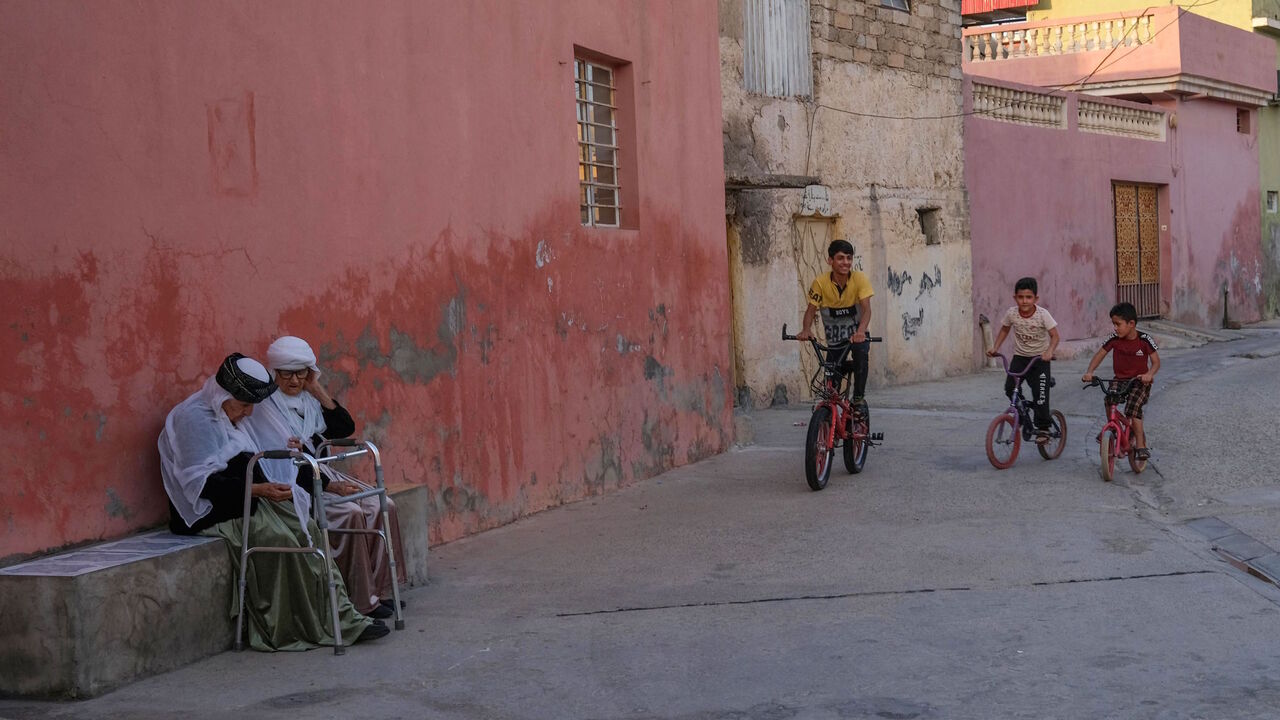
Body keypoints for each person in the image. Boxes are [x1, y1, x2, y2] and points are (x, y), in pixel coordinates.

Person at [159, 352, 386, 650]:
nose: (248, 414)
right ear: (225, 395)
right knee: (281, 538)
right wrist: (259, 491)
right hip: (210, 512)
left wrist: (269, 487)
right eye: (244, 405)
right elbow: (201, 486)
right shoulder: (194, 419)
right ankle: (297, 625)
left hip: (247, 497)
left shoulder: (226, 412)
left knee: (310, 529)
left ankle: (341, 616)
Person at [241, 335, 407, 620]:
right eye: (286, 373)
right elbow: (288, 463)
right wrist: (332, 486)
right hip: (296, 478)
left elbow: (344, 427)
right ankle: (360, 600)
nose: (294, 381)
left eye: (301, 372)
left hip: (320, 469)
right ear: (274, 373)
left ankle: (383, 590)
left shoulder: (309, 401)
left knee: (382, 505)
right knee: (350, 513)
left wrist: (316, 388)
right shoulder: (267, 408)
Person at [795, 239, 875, 414]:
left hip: (857, 335)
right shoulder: (820, 283)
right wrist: (806, 329)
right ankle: (829, 420)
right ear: (830, 260)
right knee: (831, 386)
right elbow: (811, 310)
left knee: (861, 354)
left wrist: (861, 331)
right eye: (840, 258)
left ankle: (859, 398)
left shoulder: (859, 279)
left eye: (848, 258)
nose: (845, 262)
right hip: (835, 340)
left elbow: (867, 309)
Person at [1082, 302, 1161, 460]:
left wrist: (1149, 374)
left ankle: (1140, 445)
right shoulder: (1114, 339)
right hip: (1120, 380)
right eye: (1114, 324)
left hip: (1139, 381)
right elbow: (1100, 354)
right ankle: (1113, 426)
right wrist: (1090, 372)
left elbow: (1156, 362)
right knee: (1109, 399)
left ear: (1131, 324)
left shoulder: (1144, 340)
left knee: (1133, 409)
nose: (1115, 328)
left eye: (1118, 324)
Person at [987, 277, 1060, 444]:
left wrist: (1049, 351)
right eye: (1020, 297)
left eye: (1028, 297)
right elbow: (1004, 330)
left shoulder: (1043, 315)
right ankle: (1021, 414)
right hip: (1020, 358)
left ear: (1036, 299)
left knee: (1040, 396)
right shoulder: (1012, 313)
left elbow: (1055, 336)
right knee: (1009, 388)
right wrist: (995, 348)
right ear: (1015, 298)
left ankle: (1043, 428)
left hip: (1039, 360)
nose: (1024, 301)